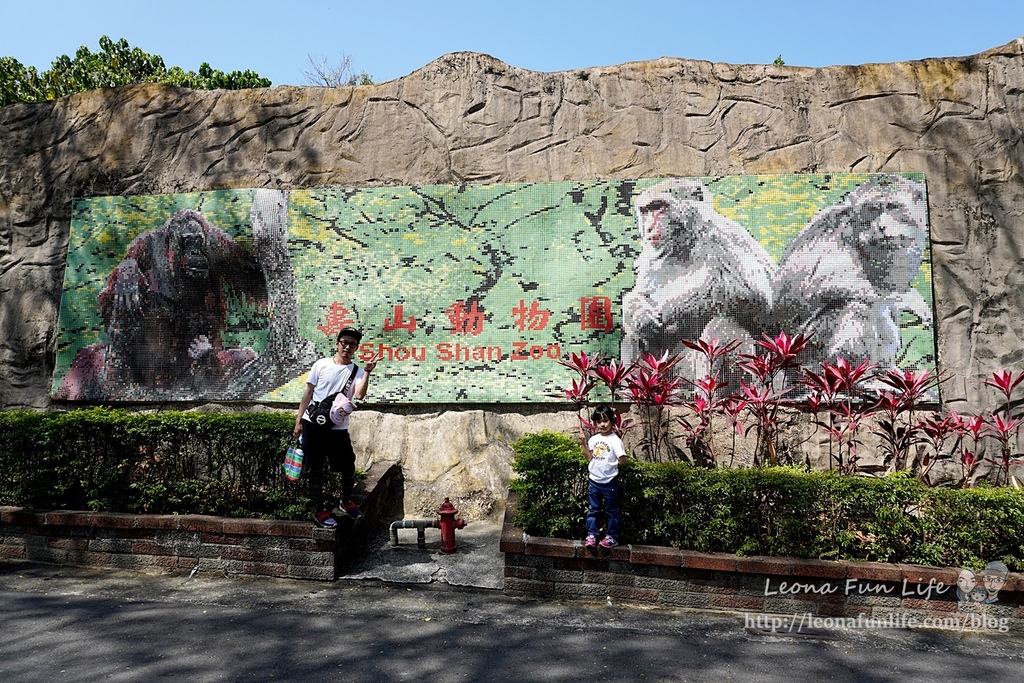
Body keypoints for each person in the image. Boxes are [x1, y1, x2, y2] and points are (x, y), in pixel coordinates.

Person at [293, 327, 379, 528]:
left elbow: (359, 395)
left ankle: (346, 500)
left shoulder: (356, 371)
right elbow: (308, 394)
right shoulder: (321, 365)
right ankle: (319, 509)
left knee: (348, 464)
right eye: (344, 342)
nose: (347, 347)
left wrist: (367, 372)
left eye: (352, 344)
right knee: (315, 468)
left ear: (356, 348)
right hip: (312, 424)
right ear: (337, 343)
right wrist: (298, 421)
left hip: (337, 427)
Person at [579, 404, 628, 549]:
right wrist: (583, 444)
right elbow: (589, 458)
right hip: (594, 481)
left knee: (611, 511)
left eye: (605, 421)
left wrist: (614, 465)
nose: (602, 424)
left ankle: (612, 537)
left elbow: (623, 459)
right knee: (593, 509)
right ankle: (592, 535)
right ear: (595, 423)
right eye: (599, 421)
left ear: (612, 422)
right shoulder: (594, 439)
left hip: (609, 482)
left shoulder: (615, 441)